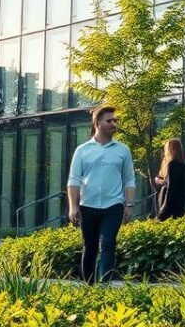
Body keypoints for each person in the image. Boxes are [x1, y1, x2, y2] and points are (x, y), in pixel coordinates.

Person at [67, 106, 136, 283]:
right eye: (109, 120)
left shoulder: (123, 150)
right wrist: (73, 206)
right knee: (89, 247)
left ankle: (104, 286)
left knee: (107, 244)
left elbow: (129, 179)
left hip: (113, 205)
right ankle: (90, 288)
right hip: (87, 206)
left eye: (115, 120)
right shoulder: (82, 150)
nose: (114, 123)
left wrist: (129, 205)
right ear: (97, 123)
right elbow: (73, 180)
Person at [154, 138, 185, 221]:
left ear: (171, 149)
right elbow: (180, 186)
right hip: (180, 205)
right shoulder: (184, 166)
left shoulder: (172, 164)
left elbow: (171, 189)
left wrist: (163, 211)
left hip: (171, 205)